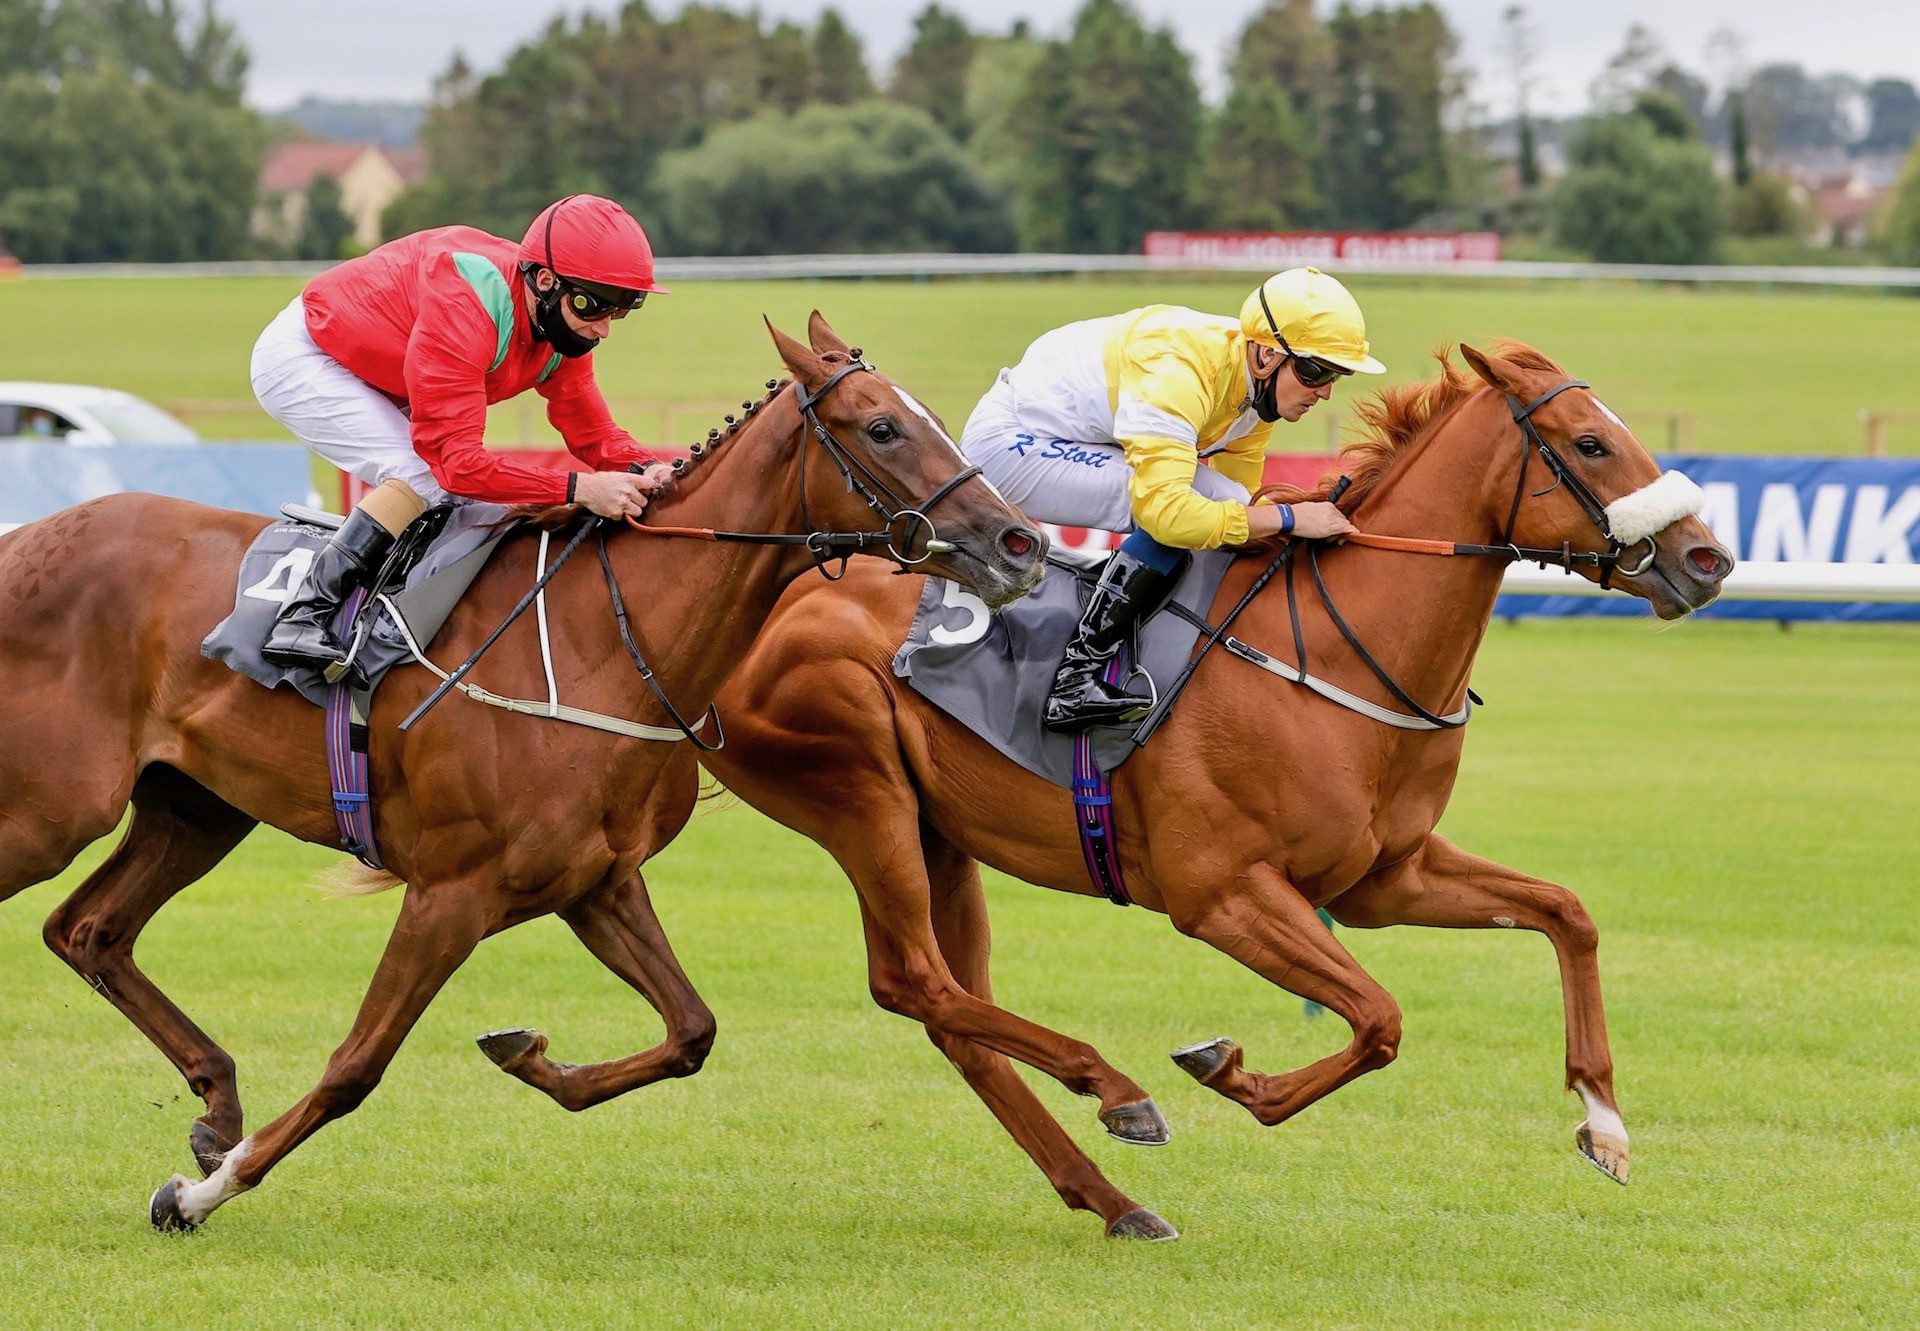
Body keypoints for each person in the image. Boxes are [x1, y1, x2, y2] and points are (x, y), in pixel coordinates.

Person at [249, 193, 674, 675]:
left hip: (386, 367)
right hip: (309, 356)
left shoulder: (560, 326)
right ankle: (304, 614)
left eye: (620, 311)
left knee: (449, 497)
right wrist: (581, 488)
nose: (603, 330)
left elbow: (593, 434)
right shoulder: (467, 304)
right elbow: (455, 465)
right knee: (422, 477)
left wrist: (649, 467)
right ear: (545, 280)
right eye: (593, 306)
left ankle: (392, 601)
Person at [959, 267, 1386, 732]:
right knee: (1187, 506)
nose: (1324, 391)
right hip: (1013, 444)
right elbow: (1167, 517)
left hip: (1080, 434)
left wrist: (1272, 523)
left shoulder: (1253, 396)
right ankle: (1072, 680)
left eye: (1336, 375)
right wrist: (1288, 517)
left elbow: (1238, 507)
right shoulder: (1181, 374)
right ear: (1265, 356)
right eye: (1314, 371)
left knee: (1227, 504)